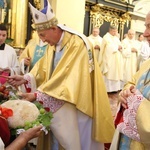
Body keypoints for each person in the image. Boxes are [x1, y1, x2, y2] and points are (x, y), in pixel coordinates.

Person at [7, 0, 115, 150]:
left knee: (74, 141)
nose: (43, 40)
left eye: (43, 35)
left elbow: (68, 78)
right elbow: (42, 68)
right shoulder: (54, 44)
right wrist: (25, 78)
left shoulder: (77, 43)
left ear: (53, 28)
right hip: (56, 100)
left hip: (75, 104)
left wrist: (38, 96)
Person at [110, 11, 150, 150]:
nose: (145, 33)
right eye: (146, 26)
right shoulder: (147, 63)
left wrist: (138, 106)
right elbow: (133, 81)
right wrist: (126, 92)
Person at [98, 25, 124, 93]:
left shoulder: (116, 38)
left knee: (116, 73)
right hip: (109, 59)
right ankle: (108, 89)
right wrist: (116, 47)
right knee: (110, 73)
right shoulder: (106, 37)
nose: (115, 32)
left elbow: (120, 45)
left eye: (116, 31)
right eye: (114, 31)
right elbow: (108, 48)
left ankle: (114, 89)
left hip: (116, 60)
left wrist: (121, 47)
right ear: (110, 30)